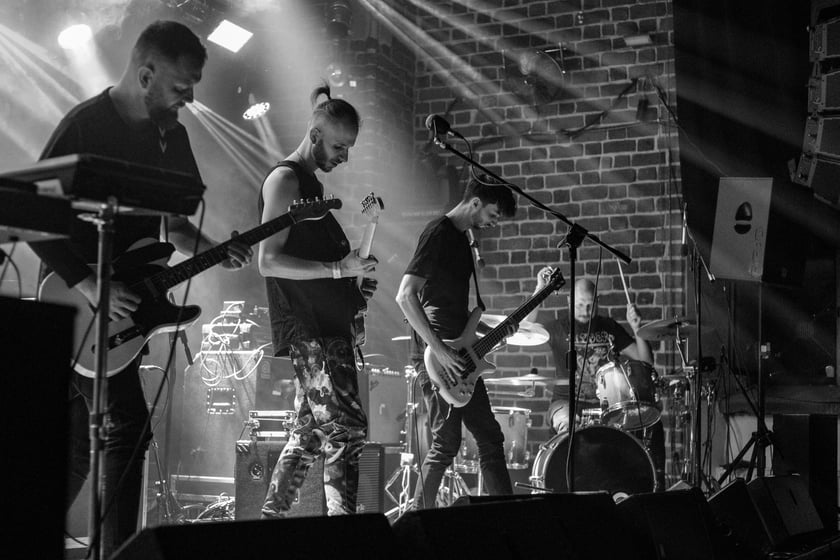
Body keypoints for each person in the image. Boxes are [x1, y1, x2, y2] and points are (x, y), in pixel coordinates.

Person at [28, 20, 252, 557]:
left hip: (121, 311)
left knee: (90, 442)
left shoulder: (172, 136)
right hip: (76, 301)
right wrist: (92, 285)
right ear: (146, 75)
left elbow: (175, 224)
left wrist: (216, 249)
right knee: (115, 434)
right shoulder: (85, 125)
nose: (190, 99)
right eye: (181, 86)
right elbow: (35, 217)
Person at [258, 84, 377, 517]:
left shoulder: (310, 186)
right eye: (339, 146)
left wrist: (351, 285)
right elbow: (268, 261)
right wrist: (337, 270)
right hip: (312, 332)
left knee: (308, 434)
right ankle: (341, 537)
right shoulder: (286, 180)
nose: (344, 156)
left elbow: (317, 263)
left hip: (326, 328)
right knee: (346, 430)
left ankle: (271, 520)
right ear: (314, 136)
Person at [395, 175, 517, 509]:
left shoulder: (463, 241)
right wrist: (439, 350)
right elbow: (405, 296)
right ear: (475, 202)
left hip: (459, 354)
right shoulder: (438, 233)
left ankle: (509, 516)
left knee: (490, 437)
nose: (493, 223)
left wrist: (489, 334)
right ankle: (418, 518)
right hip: (436, 357)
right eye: (493, 214)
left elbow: (455, 310)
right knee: (446, 442)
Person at [526, 272, 666, 490]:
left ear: (597, 303)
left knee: (649, 424)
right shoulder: (558, 327)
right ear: (570, 301)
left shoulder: (608, 327)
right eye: (580, 305)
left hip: (606, 407)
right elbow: (525, 327)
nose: (585, 310)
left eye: (590, 305)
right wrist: (539, 290)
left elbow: (645, 360)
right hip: (565, 402)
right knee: (568, 422)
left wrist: (637, 328)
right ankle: (565, 485)